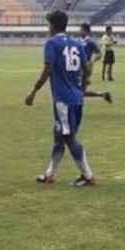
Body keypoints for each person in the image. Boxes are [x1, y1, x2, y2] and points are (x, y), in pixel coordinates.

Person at [25, 10, 96, 187]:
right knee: (59, 135)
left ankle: (88, 176)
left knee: (68, 137)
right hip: (76, 98)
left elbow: (48, 70)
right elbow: (87, 69)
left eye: (49, 24)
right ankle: (49, 174)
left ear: (53, 26)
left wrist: (33, 91)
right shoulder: (77, 43)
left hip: (63, 100)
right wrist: (80, 87)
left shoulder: (51, 43)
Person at [79, 23, 112, 103]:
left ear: (86, 31)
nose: (79, 32)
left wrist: (91, 62)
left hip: (85, 69)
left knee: (80, 92)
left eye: (81, 30)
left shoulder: (90, 42)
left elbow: (99, 53)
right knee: (80, 92)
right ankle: (103, 94)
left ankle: (102, 94)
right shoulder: (79, 41)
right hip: (79, 68)